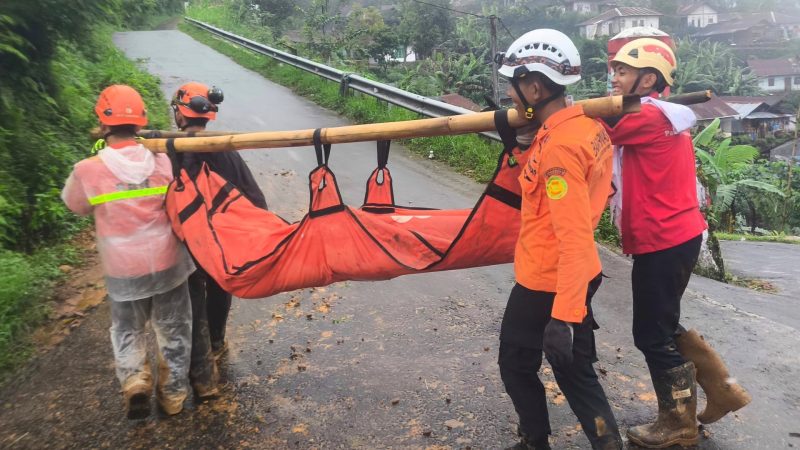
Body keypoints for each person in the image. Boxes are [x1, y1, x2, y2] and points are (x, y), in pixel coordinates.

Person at [604, 38, 750, 448]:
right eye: (614, 70)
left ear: (648, 79)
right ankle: (723, 390)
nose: (614, 78)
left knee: (651, 334)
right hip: (674, 236)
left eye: (623, 72)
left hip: (664, 239)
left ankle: (679, 422)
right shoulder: (663, 113)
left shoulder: (648, 117)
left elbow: (595, 128)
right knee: (662, 325)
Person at [495, 29, 622, 450]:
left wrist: (565, 316)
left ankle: (537, 441)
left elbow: (574, 237)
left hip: (549, 280)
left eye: (513, 87)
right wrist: (522, 145)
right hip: (570, 274)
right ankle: (605, 444)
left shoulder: (561, 151)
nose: (511, 96)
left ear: (534, 86)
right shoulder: (584, 125)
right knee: (575, 371)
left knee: (519, 363)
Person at [61, 85, 195, 419]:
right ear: (140, 122)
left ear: (103, 124)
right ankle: (174, 395)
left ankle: (135, 379)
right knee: (174, 328)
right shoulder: (161, 160)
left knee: (127, 328)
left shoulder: (87, 169)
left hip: (122, 269)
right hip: (167, 261)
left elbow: (76, 206)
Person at [169, 82, 268, 398]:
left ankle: (198, 362)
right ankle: (215, 341)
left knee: (192, 290)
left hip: (190, 239)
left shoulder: (169, 150)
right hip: (223, 239)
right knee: (219, 284)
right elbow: (254, 196)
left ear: (180, 114)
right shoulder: (225, 148)